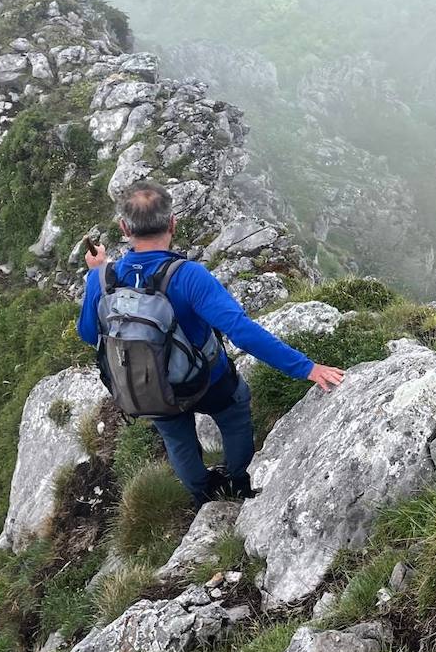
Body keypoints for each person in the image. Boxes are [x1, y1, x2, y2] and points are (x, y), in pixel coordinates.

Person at [77, 180, 345, 506]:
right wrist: (307, 368)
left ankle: (203, 494)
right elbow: (240, 331)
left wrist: (97, 272)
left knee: (177, 440)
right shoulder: (189, 276)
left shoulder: (103, 278)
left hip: (150, 386)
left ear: (123, 227)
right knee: (234, 412)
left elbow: (91, 335)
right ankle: (237, 481)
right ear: (172, 223)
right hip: (208, 381)